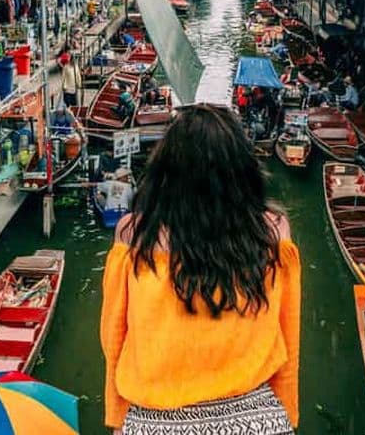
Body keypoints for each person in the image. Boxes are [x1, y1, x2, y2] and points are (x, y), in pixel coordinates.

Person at [101, 104, 300, 434]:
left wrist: (119, 418)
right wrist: (287, 410)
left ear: (166, 168)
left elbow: (114, 336)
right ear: (241, 168)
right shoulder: (273, 232)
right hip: (255, 420)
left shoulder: (133, 234)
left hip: (157, 419)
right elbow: (288, 332)